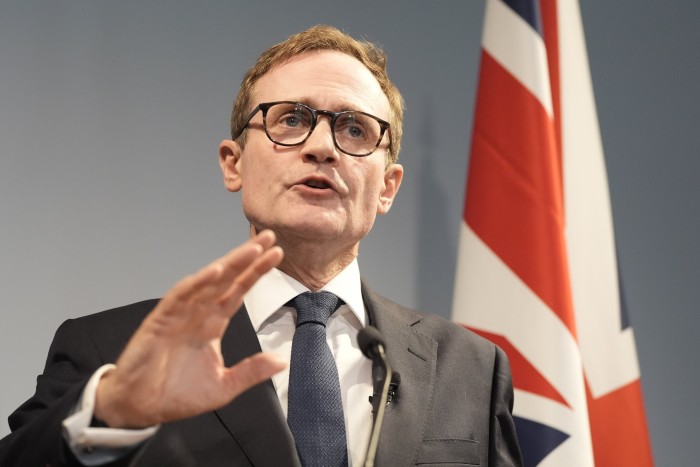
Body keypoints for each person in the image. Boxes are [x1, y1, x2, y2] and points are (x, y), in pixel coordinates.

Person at [0, 25, 522, 466]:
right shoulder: (110, 351)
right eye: (291, 120)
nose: (321, 148)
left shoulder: (471, 369)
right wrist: (112, 411)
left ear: (387, 187)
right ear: (234, 163)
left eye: (355, 129)